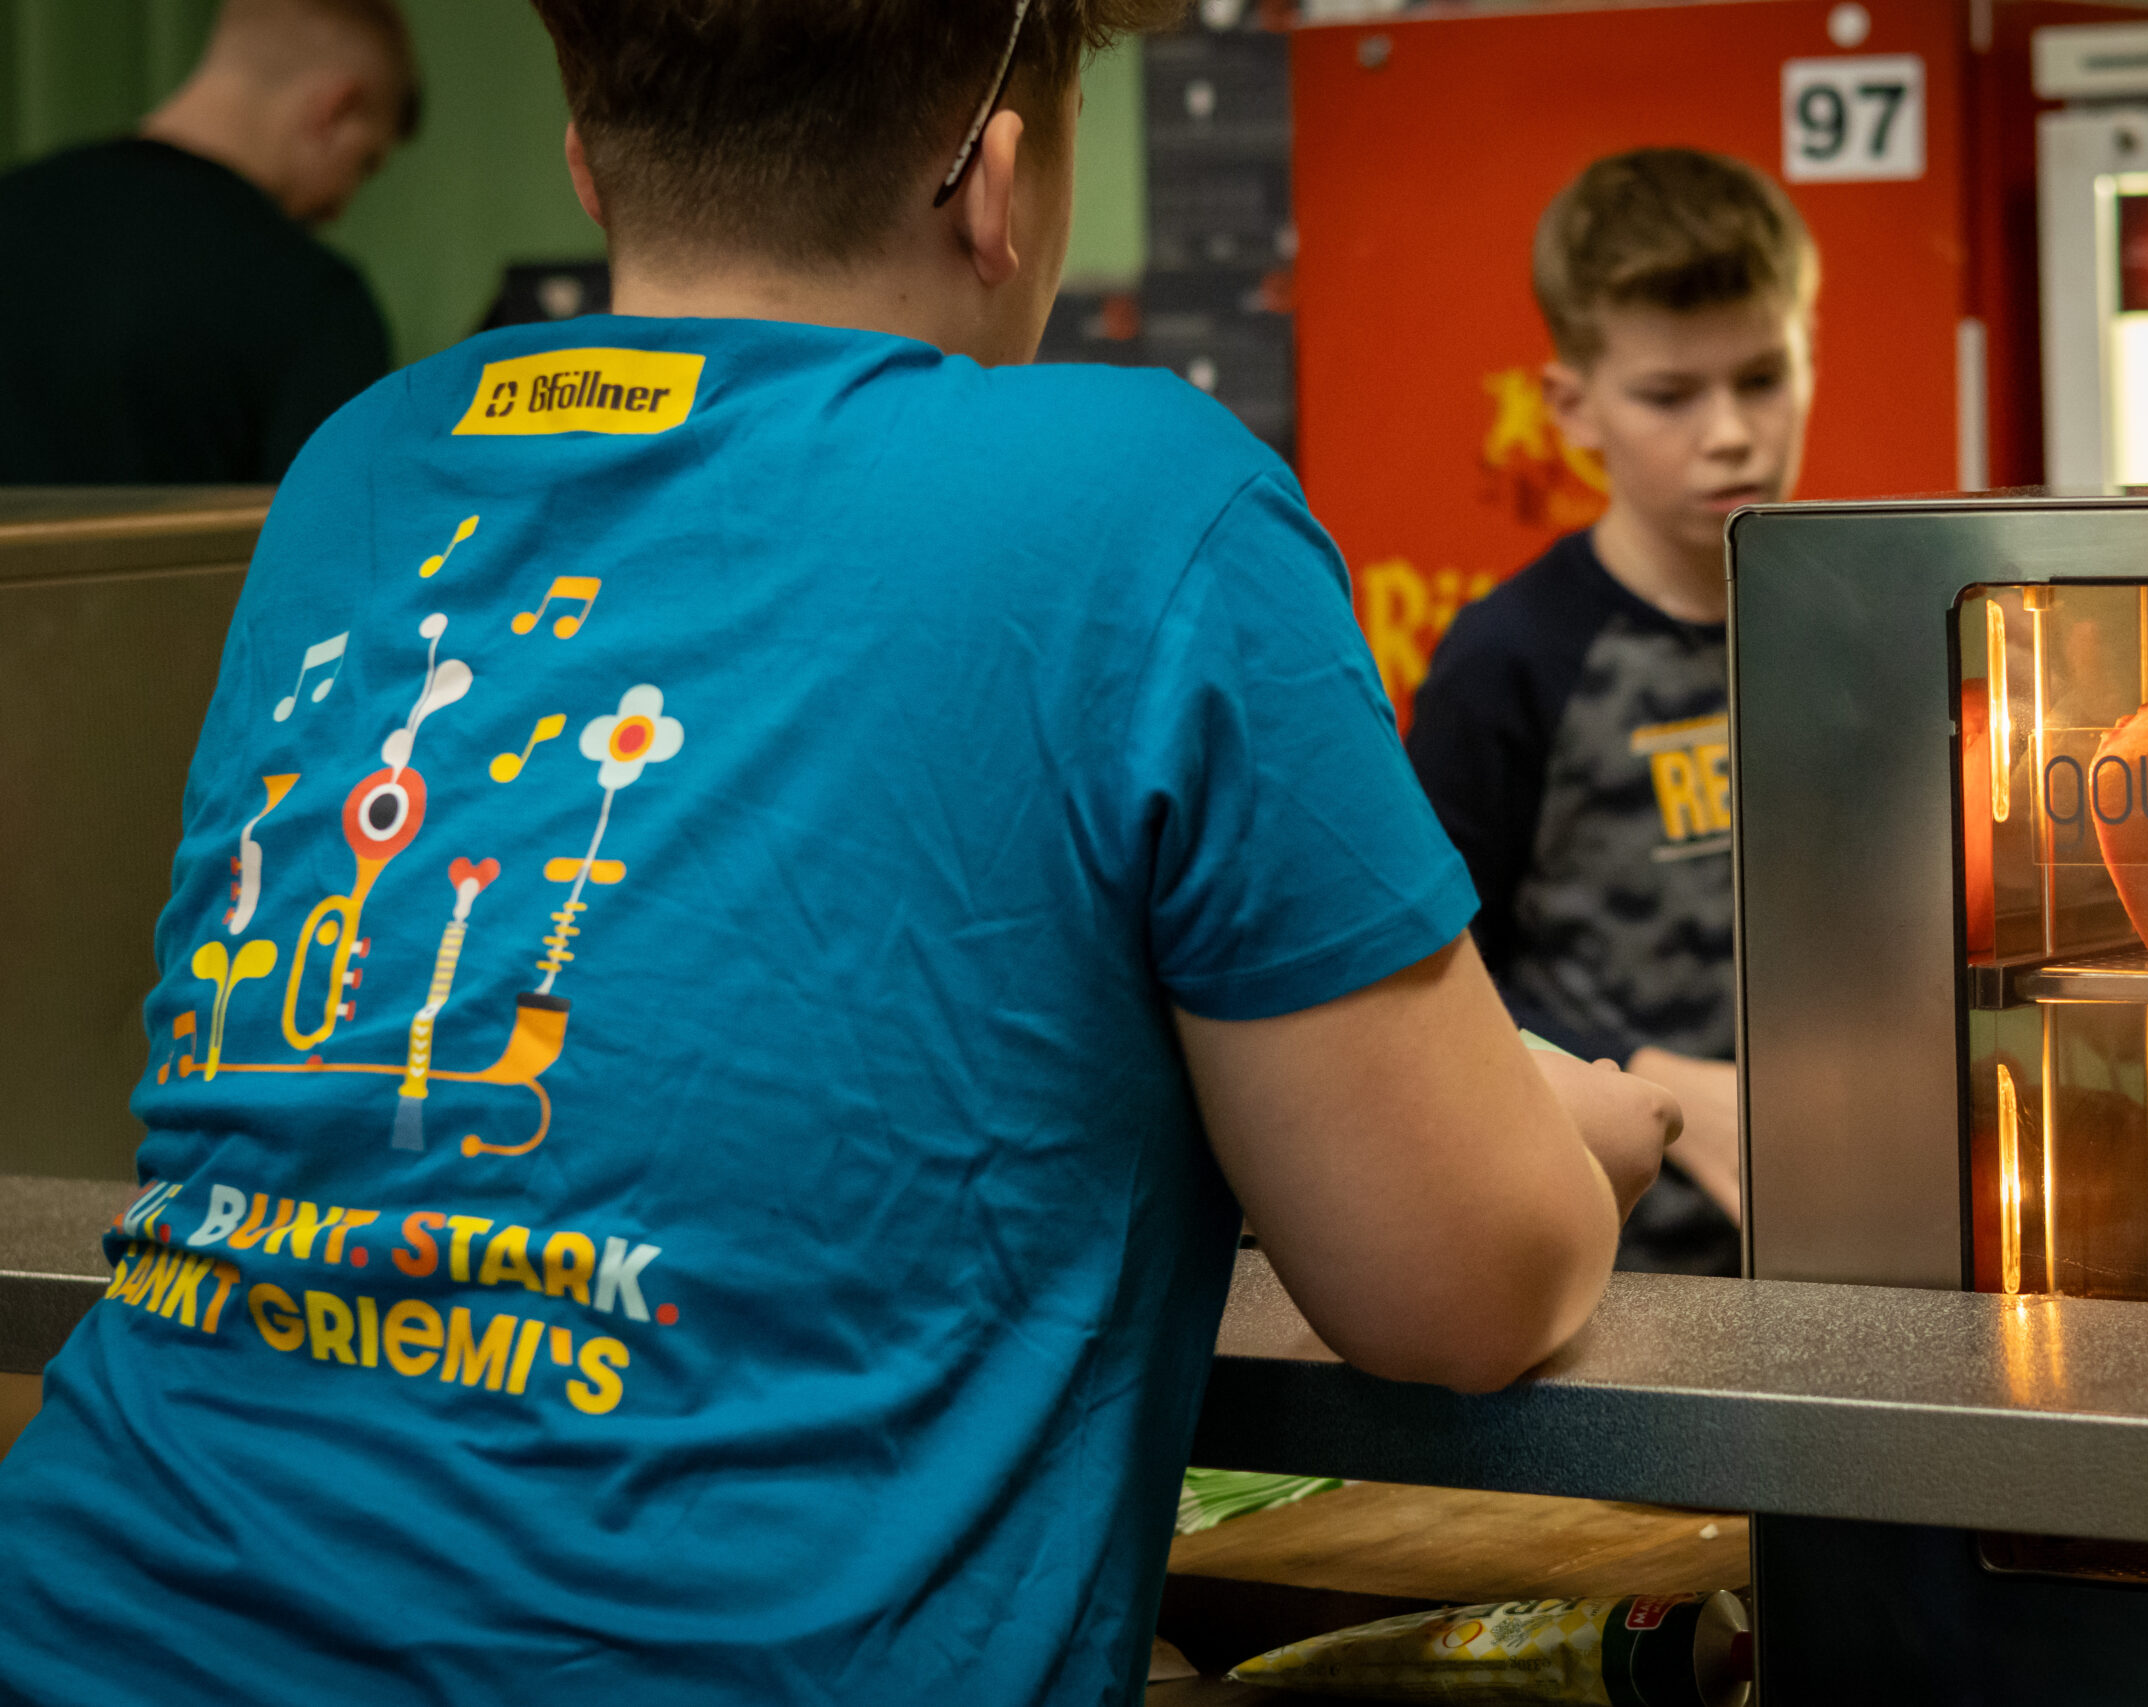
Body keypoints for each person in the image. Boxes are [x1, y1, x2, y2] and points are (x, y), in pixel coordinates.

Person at [0, 2, 1677, 1703]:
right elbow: (1463, 1289)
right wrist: (1591, 1136)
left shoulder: (357, 470)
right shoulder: (1148, 503)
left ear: (589, 164)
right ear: (999, 185)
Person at [1404, 149, 1819, 1276]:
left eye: (1762, 378)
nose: (1728, 432)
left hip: (1849, 1240)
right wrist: (1638, 1071)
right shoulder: (1511, 657)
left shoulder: (1861, 627)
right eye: (1669, 396)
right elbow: (1425, 988)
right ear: (1573, 408)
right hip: (1607, 1260)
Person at [0, 0, 418, 485]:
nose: (340, 207)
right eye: (365, 162)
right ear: (336, 109)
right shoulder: (312, 296)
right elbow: (335, 523)